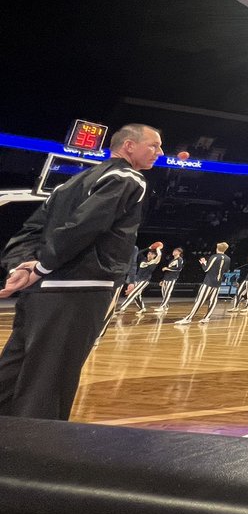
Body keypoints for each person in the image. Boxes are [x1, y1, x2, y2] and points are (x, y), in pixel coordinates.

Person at [0, 123, 162, 420]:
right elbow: (85, 226)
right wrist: (41, 265)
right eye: (153, 145)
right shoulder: (127, 178)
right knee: (49, 382)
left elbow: (29, 231)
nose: (159, 152)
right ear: (129, 146)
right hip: (79, 291)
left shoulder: (66, 185)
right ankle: (35, 457)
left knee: (12, 373)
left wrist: (19, 268)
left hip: (37, 293)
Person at [177, 242, 230, 325]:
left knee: (200, 300)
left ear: (217, 248)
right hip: (218, 282)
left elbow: (206, 269)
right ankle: (207, 317)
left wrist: (203, 263)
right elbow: (226, 270)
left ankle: (189, 318)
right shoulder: (228, 258)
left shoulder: (214, 257)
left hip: (209, 282)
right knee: (213, 300)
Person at [118, 242, 163, 314]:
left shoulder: (155, 262)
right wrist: (148, 248)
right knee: (137, 296)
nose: (149, 255)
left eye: (151, 254)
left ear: (154, 255)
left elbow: (159, 255)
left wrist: (158, 248)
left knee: (133, 292)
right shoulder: (143, 259)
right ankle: (142, 308)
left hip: (145, 281)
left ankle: (122, 307)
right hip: (137, 279)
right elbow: (138, 253)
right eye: (149, 253)